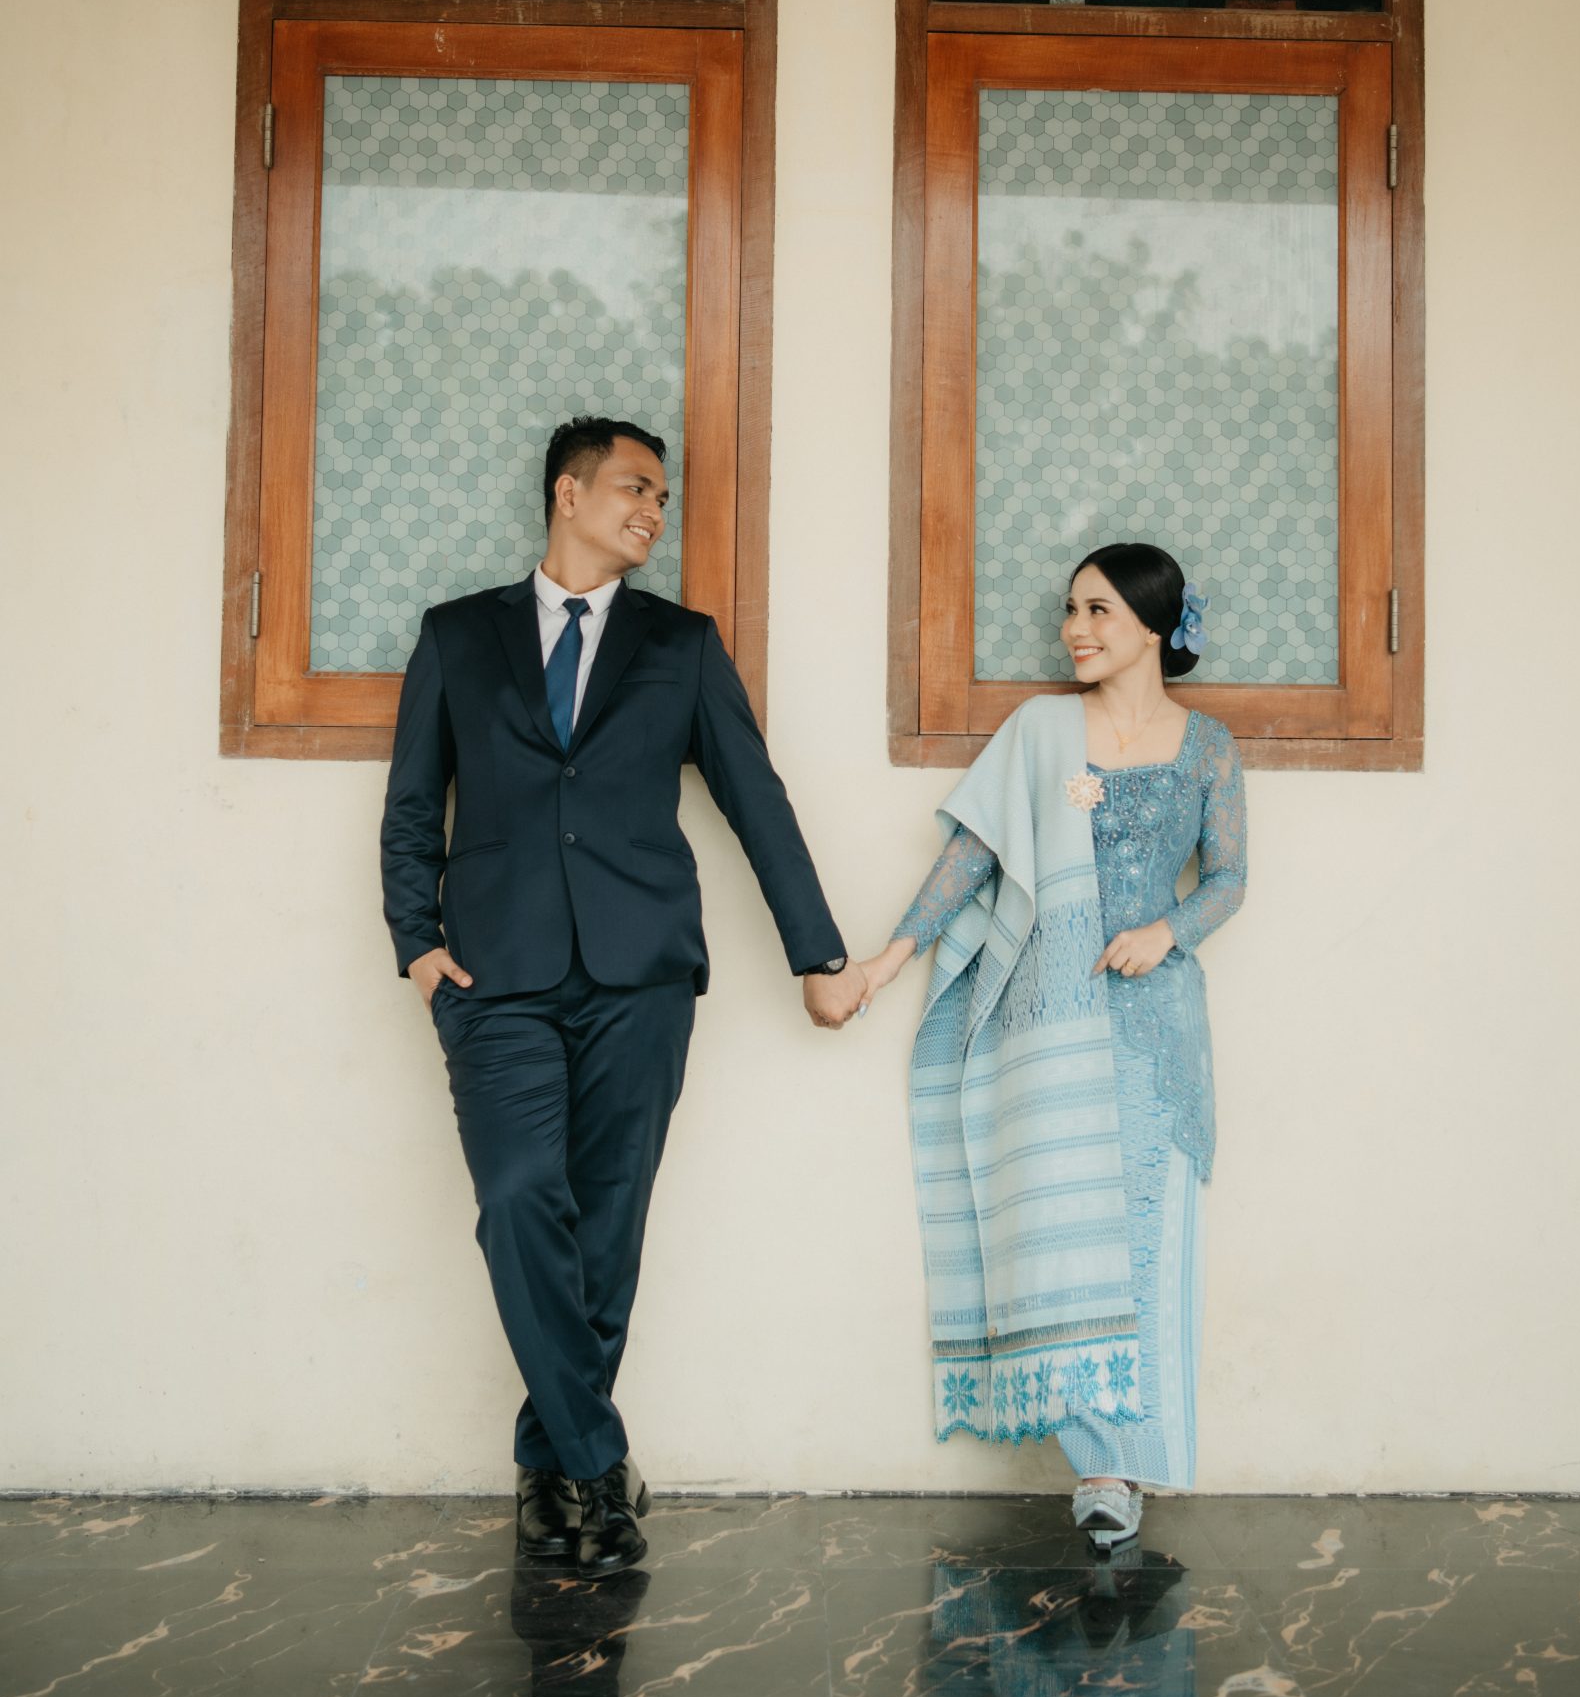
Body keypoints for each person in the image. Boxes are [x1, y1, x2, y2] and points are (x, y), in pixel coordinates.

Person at [380, 417, 868, 1575]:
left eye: (663, 497)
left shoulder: (679, 645)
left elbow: (755, 798)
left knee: (606, 1226)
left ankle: (548, 1475)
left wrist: (818, 955)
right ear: (568, 492)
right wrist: (416, 943)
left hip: (640, 975)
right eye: (635, 488)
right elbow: (412, 803)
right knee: (518, 1199)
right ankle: (598, 1462)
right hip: (494, 976)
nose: (653, 511)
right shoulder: (458, 634)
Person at [855, 544, 1246, 1555]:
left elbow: (1228, 878)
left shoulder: (1208, 747)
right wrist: (890, 958)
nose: (1075, 630)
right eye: (1071, 610)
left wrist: (1169, 931)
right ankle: (1100, 1467)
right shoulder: (1040, 731)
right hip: (1047, 1014)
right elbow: (972, 854)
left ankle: (1134, 1459)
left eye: (1098, 610)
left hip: (1154, 1023)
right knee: (1056, 1235)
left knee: (1145, 1236)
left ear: (1154, 625)